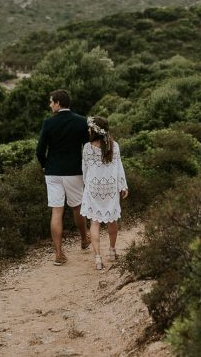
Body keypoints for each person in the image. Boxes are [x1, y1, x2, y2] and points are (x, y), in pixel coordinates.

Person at [36, 89, 90, 266]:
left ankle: (59, 254)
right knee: (77, 207)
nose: (50, 105)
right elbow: (87, 148)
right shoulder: (82, 122)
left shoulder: (48, 123)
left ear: (58, 103)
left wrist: (45, 165)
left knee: (56, 211)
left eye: (51, 102)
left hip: (52, 172)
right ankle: (84, 239)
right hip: (74, 170)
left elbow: (39, 150)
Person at [81, 116, 128, 270]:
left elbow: (85, 170)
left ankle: (98, 259)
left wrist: (86, 184)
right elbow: (119, 167)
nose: (88, 130)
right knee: (112, 220)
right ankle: (112, 251)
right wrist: (123, 186)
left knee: (94, 222)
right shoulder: (114, 146)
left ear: (95, 130)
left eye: (89, 128)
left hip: (94, 187)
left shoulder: (87, 148)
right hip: (110, 187)